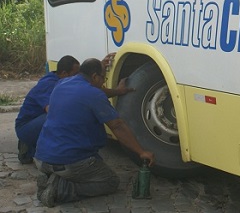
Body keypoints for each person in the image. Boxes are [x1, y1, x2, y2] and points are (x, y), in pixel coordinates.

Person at [34, 58, 155, 207]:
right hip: (68, 162)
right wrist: (141, 151)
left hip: (42, 158)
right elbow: (117, 125)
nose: (103, 82)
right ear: (95, 77)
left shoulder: (61, 84)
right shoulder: (94, 94)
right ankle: (61, 189)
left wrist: (117, 91)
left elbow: (90, 91)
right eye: (103, 77)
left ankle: (52, 176)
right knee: (109, 182)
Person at [14, 55, 80, 164]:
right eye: (75, 75)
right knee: (58, 117)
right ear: (64, 73)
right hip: (25, 127)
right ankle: (32, 148)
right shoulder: (49, 84)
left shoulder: (61, 79)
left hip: (36, 122)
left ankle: (34, 147)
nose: (78, 78)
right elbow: (53, 111)